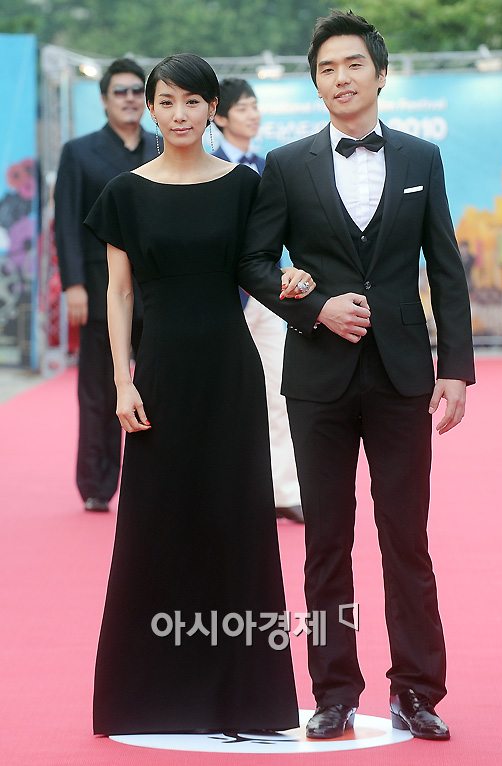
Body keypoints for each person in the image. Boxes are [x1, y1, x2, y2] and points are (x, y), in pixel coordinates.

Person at [238, 9, 475, 742]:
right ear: (316, 84)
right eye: (326, 69)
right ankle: (334, 691)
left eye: (352, 65)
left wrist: (455, 368)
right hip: (318, 380)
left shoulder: (421, 159)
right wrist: (314, 309)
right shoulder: (286, 165)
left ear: (380, 73)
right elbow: (253, 263)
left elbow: (446, 266)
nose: (340, 78)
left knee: (407, 541)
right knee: (326, 542)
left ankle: (417, 691)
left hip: (404, 377)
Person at [84, 53, 313, 735]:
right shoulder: (124, 193)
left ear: (212, 108)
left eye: (192, 102)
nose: (179, 114)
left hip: (229, 372)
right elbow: (118, 294)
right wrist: (122, 378)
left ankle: (245, 696)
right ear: (151, 108)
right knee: (155, 526)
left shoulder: (244, 186)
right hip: (158, 375)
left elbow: (263, 268)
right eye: (167, 101)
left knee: (236, 523)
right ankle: (147, 696)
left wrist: (297, 284)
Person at [54, 58, 156, 513]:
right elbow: (66, 222)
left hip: (156, 289)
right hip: (98, 289)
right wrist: (73, 284)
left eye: (137, 91)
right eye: (120, 91)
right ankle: (96, 483)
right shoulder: (79, 152)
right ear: (104, 99)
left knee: (156, 387)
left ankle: (155, 479)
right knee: (99, 391)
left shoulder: (160, 146)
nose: (130, 98)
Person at [213, 78, 303, 523]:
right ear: (220, 116)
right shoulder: (206, 166)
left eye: (255, 106)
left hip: (267, 297)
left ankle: (284, 491)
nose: (253, 115)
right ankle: (218, 492)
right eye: (243, 107)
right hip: (218, 299)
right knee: (218, 396)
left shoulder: (269, 165)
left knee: (280, 391)